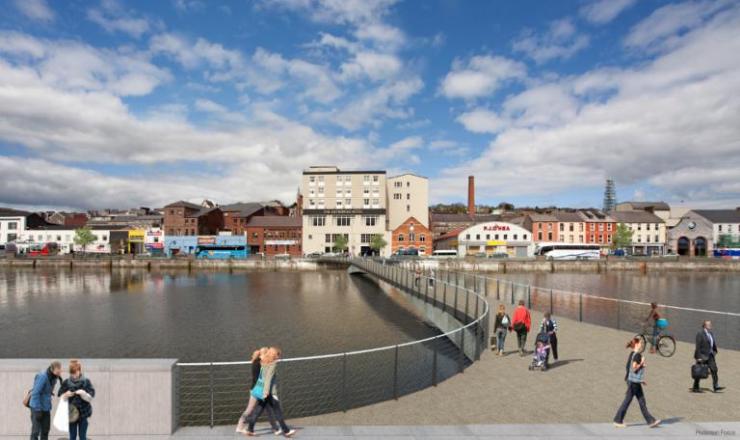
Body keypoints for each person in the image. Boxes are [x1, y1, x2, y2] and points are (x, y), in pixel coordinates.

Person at [247, 347, 296, 437]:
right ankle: (286, 431)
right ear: (274, 355)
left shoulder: (262, 362)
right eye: (278, 355)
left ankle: (250, 429)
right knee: (278, 412)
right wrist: (266, 392)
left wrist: (263, 392)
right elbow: (268, 379)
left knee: (258, 410)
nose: (279, 357)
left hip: (262, 391)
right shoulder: (272, 364)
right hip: (270, 393)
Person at [613, 337, 661, 428]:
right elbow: (634, 367)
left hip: (632, 381)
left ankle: (650, 420)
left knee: (641, 400)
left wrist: (640, 380)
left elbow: (628, 368)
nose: (642, 345)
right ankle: (618, 420)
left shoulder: (632, 354)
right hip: (633, 382)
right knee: (629, 400)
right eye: (641, 343)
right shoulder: (638, 355)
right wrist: (642, 363)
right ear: (637, 344)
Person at [236, 348, 279, 434]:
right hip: (257, 390)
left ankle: (275, 428)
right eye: (267, 354)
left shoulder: (258, 362)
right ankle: (241, 426)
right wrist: (265, 390)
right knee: (251, 409)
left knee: (266, 408)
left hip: (257, 389)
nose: (268, 356)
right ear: (263, 355)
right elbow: (258, 379)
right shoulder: (258, 364)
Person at [58, 359, 95, 440]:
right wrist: (65, 395)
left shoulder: (86, 381)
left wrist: (83, 394)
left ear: (79, 370)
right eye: (72, 373)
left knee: (82, 437)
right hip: (72, 415)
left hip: (83, 413)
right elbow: (60, 396)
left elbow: (91, 397)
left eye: (75, 373)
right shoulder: (66, 382)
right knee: (72, 437)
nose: (74, 375)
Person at [29, 361, 62, 440]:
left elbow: (47, 390)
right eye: (57, 372)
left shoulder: (54, 378)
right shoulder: (43, 377)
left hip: (46, 408)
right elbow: (35, 393)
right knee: (35, 432)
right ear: (52, 369)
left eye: (60, 371)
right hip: (37, 407)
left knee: (45, 431)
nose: (59, 373)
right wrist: (37, 409)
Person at [692, 320, 724, 393]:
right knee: (699, 372)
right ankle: (695, 387)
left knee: (714, 370)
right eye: (709, 324)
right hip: (702, 356)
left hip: (710, 355)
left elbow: (712, 343)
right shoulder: (700, 333)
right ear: (705, 326)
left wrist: (715, 351)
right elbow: (698, 346)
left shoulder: (711, 333)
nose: (710, 325)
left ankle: (715, 386)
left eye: (710, 324)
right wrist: (698, 357)